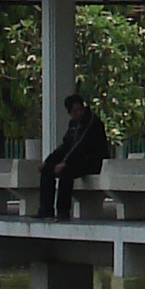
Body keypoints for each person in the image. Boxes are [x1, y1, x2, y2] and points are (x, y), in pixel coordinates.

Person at [39, 89, 110, 220]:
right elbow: (66, 145)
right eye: (75, 111)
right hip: (78, 160)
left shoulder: (91, 122)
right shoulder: (73, 125)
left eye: (80, 109)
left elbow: (80, 146)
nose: (79, 113)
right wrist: (49, 161)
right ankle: (45, 209)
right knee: (47, 171)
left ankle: (63, 211)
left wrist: (65, 163)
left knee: (66, 172)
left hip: (92, 161)